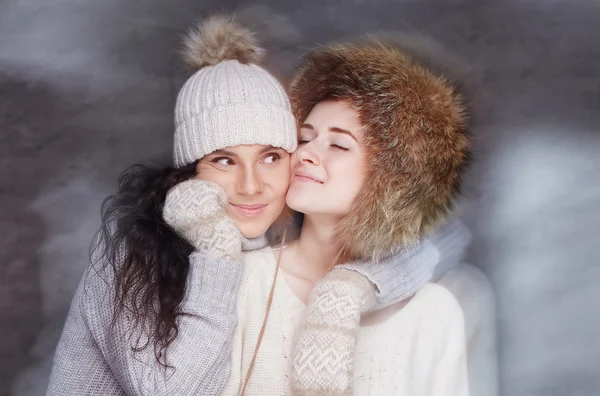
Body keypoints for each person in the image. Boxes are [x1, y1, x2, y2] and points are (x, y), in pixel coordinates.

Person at [46, 16, 470, 396]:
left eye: (272, 156)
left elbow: (433, 242)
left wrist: (345, 291)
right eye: (224, 160)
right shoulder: (155, 256)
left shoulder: (253, 239)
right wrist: (216, 253)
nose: (251, 186)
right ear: (190, 172)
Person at [221, 36, 498, 395]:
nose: (306, 154)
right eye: (305, 137)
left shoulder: (434, 312)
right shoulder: (242, 279)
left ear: (390, 178)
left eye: (338, 144)